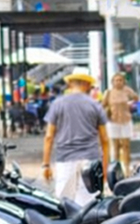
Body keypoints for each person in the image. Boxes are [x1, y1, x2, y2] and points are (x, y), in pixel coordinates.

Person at [42, 67, 109, 206]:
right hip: (90, 160)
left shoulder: (58, 104)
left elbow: (49, 137)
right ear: (87, 84)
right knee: (89, 205)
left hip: (65, 160)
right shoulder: (95, 105)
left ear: (71, 83)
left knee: (64, 204)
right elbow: (105, 140)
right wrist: (104, 168)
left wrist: (46, 164)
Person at [102, 72, 140, 172]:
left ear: (123, 81)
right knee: (115, 146)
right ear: (112, 82)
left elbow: (136, 98)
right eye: (116, 80)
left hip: (126, 121)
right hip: (113, 121)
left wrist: (130, 104)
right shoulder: (109, 92)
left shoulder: (127, 90)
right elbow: (103, 105)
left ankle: (127, 168)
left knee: (126, 146)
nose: (118, 82)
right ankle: (116, 168)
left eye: (120, 80)